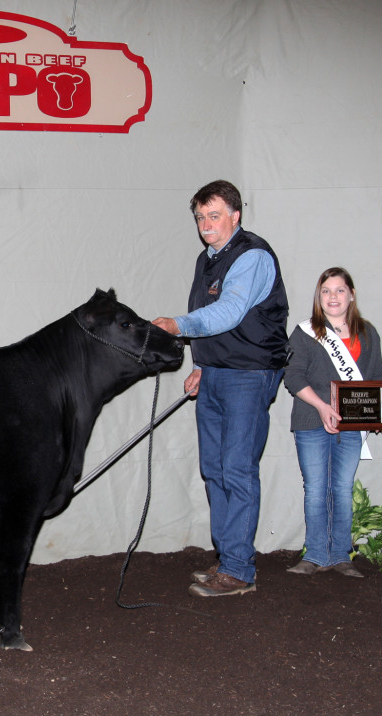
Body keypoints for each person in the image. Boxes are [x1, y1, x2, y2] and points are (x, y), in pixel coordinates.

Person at [153, 180, 288, 598]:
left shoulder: (252, 255)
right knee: (214, 468)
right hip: (217, 374)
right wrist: (201, 365)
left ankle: (238, 571)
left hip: (249, 375)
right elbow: (209, 316)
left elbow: (228, 313)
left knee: (237, 468)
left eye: (214, 215)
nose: (206, 224)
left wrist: (177, 325)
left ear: (236, 215)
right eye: (200, 217)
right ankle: (229, 556)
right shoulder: (207, 259)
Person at [283, 267, 382, 578]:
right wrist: (321, 406)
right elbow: (292, 377)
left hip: (352, 424)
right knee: (316, 489)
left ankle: (341, 555)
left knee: (343, 489)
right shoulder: (305, 332)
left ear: (351, 295)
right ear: (319, 297)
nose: (333, 297)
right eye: (326, 291)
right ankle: (316, 554)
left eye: (339, 290)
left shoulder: (368, 333)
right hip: (310, 420)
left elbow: (377, 377)